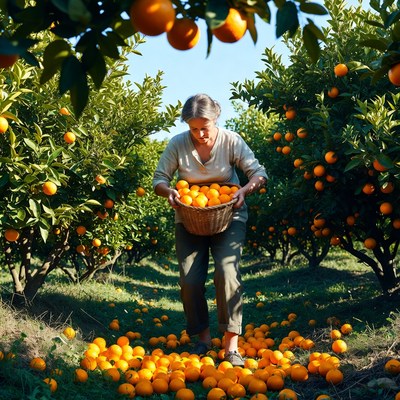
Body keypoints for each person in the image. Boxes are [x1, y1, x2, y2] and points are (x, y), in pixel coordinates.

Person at [152, 93, 267, 366]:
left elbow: (258, 173)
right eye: (194, 129)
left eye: (205, 127)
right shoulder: (178, 144)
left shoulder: (231, 140)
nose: (200, 134)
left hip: (229, 213)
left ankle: (231, 344)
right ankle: (202, 338)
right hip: (189, 216)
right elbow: (159, 179)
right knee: (190, 282)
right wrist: (168, 192)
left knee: (227, 273)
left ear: (216, 120)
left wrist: (244, 191)